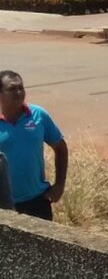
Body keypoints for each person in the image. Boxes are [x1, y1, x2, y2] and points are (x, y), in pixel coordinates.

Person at [0, 71, 68, 220]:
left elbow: (61, 148)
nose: (18, 92)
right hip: (3, 204)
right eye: (12, 89)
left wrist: (59, 185)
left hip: (37, 201)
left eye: (21, 88)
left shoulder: (38, 115)